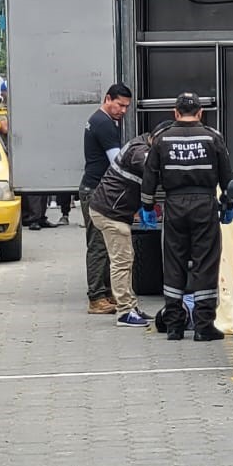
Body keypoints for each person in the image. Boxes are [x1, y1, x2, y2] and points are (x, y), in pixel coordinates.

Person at [139, 92, 232, 341]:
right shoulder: (213, 137)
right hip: (204, 204)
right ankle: (203, 327)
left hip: (174, 205)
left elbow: (150, 175)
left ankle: (174, 326)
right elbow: (227, 175)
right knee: (205, 263)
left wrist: (147, 206)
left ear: (176, 112)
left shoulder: (162, 138)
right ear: (200, 113)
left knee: (173, 263)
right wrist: (228, 203)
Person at [87, 127, 160, 328]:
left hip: (112, 211)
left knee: (126, 259)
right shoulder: (138, 150)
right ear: (154, 139)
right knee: (121, 261)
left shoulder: (142, 143)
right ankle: (124, 312)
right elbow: (149, 164)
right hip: (110, 213)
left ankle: (131, 307)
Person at [81, 83, 132, 315]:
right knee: (99, 245)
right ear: (108, 99)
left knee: (105, 243)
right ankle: (96, 297)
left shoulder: (104, 120)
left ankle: (107, 293)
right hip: (95, 190)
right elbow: (117, 161)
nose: (123, 110)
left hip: (96, 188)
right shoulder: (103, 123)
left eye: (126, 107)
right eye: (119, 105)